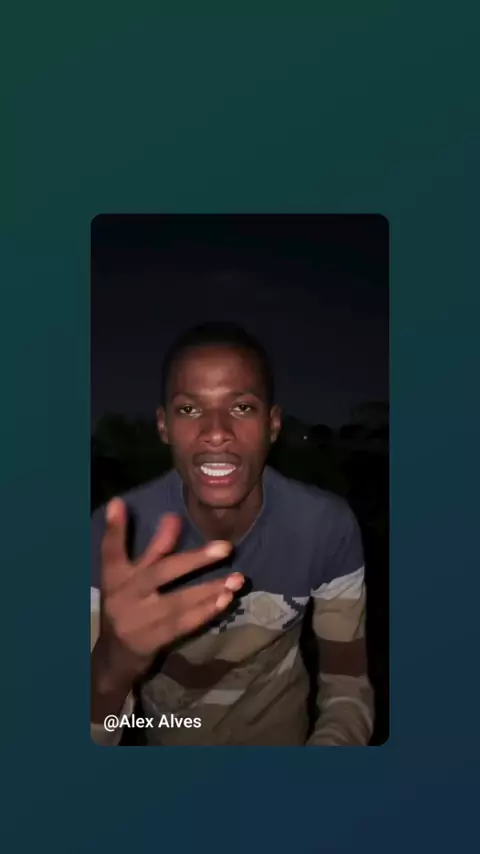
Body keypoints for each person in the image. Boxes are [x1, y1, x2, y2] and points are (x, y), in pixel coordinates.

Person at [91, 322, 374, 745]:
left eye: (241, 407)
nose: (216, 432)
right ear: (163, 426)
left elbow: (347, 684)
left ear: (273, 425)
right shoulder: (114, 535)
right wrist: (112, 672)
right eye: (189, 409)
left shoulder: (325, 527)